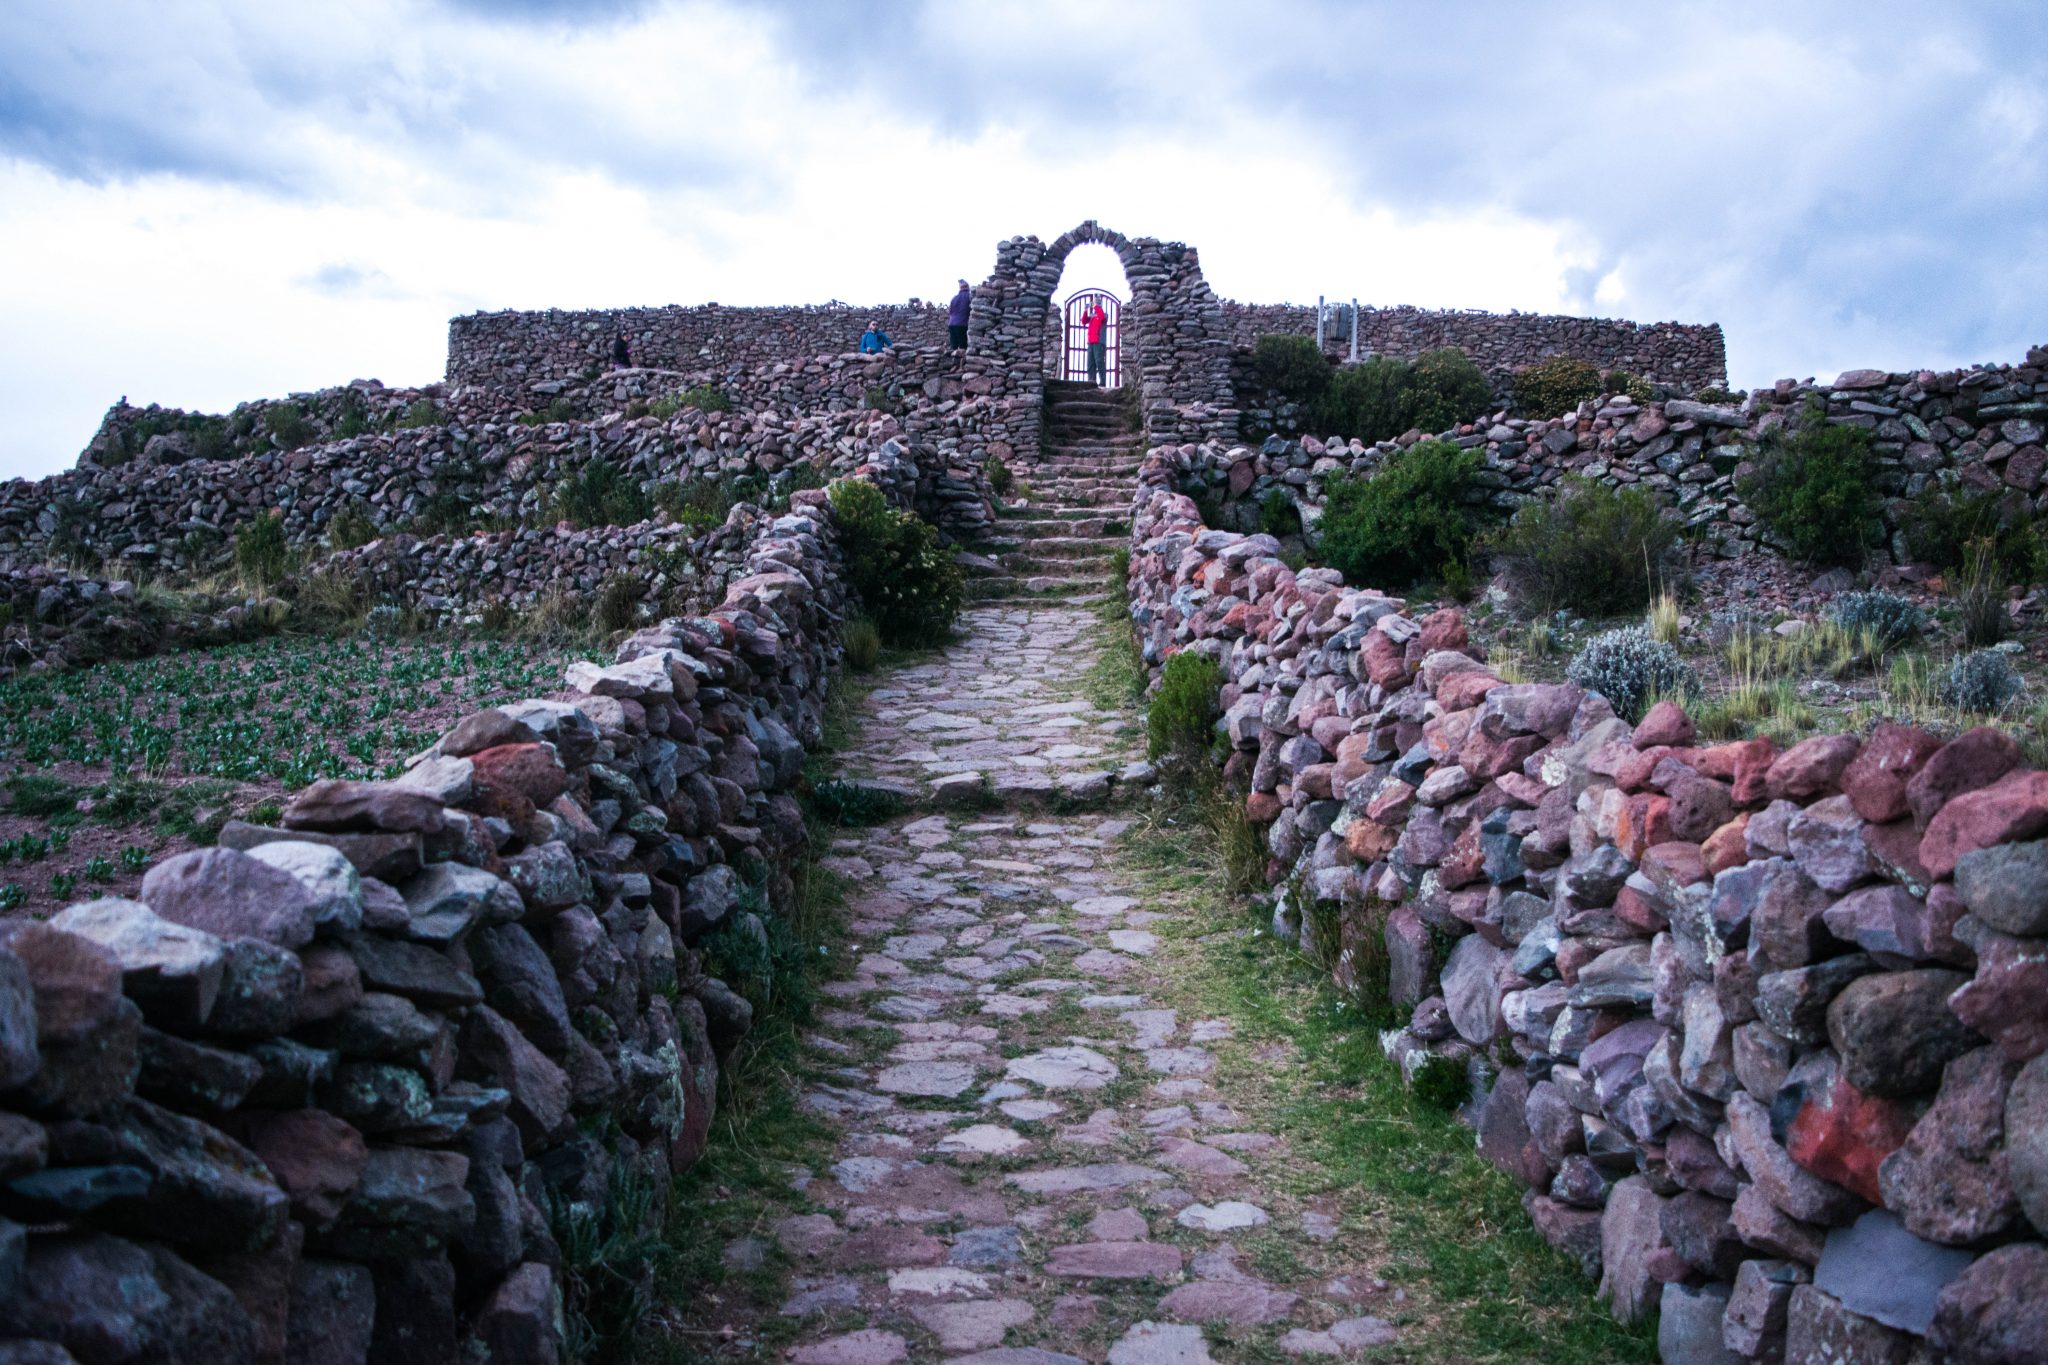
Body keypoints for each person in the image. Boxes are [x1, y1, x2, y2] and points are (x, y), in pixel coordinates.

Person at [1083, 298, 1109, 386]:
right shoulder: (1092, 316)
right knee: (1090, 364)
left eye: (1097, 304)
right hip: (1090, 342)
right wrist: (1085, 310)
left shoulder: (1104, 315)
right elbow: (1083, 321)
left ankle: (1102, 382)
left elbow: (1101, 315)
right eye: (1094, 304)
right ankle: (1091, 382)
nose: (1095, 305)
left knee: (1099, 362)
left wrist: (1094, 305)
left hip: (1099, 342)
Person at [947, 278, 971, 349]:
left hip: (951, 324)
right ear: (967, 287)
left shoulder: (954, 298)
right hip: (962, 324)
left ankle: (953, 359)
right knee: (963, 346)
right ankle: (962, 359)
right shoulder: (969, 296)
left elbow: (950, 311)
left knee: (954, 346)